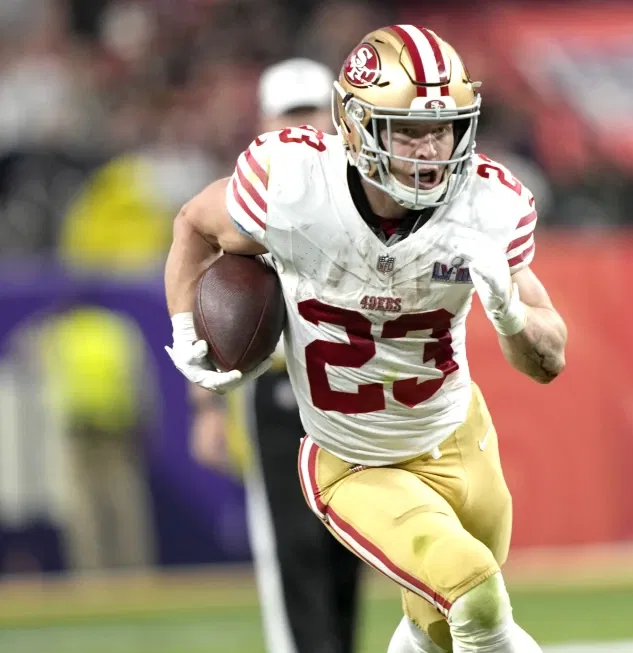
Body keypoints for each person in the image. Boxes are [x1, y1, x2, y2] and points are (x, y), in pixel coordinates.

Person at [165, 25, 567, 653]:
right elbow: (193, 223)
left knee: (434, 630)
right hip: (353, 460)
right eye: (408, 130)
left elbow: (549, 361)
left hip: (459, 439)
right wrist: (186, 327)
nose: (430, 150)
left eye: (444, 128)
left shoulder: (486, 205)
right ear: (355, 125)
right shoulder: (294, 188)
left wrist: (511, 316)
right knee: (477, 596)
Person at [188, 58, 362, 653]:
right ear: (264, 120)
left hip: (352, 388)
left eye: (314, 108)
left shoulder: (359, 190)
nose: (305, 122)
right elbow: (209, 302)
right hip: (281, 387)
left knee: (353, 548)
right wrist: (207, 404)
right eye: (292, 112)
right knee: (293, 550)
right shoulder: (246, 197)